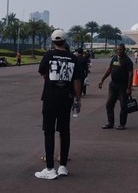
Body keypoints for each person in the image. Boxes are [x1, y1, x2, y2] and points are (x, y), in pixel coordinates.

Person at [35, 29, 84, 180]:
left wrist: (51, 82)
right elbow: (76, 80)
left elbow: (43, 73)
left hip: (50, 97)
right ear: (65, 41)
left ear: (53, 41)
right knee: (64, 131)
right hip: (66, 98)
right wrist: (78, 99)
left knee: (49, 132)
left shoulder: (49, 55)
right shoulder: (73, 58)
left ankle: (50, 168)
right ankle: (62, 166)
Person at [98, 43, 133, 130]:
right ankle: (110, 123)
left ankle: (122, 124)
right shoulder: (114, 58)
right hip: (113, 84)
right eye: (117, 49)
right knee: (109, 104)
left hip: (123, 86)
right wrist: (102, 80)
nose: (119, 51)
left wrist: (129, 88)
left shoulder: (128, 61)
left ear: (124, 50)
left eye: (120, 49)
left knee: (123, 105)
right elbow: (109, 69)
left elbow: (130, 74)